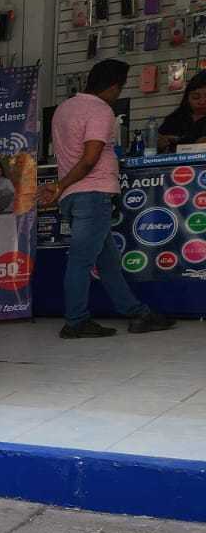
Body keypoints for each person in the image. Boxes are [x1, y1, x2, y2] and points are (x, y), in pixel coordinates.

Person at [42, 60, 175, 339]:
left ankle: (137, 313)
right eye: (120, 88)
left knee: (108, 263)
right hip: (92, 194)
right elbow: (90, 158)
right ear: (114, 87)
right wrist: (61, 184)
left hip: (75, 196)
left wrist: (63, 186)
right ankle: (76, 322)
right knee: (81, 260)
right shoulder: (100, 110)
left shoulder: (64, 108)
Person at [157, 70, 206, 153]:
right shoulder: (174, 119)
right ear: (187, 98)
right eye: (196, 97)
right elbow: (157, 143)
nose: (202, 101)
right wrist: (159, 143)